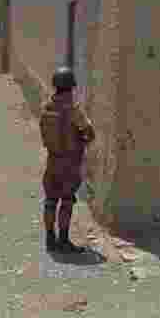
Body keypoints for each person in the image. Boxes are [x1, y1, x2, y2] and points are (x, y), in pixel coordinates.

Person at [38, 67, 96, 253]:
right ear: (71, 87)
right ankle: (63, 240)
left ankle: (49, 239)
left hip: (52, 161)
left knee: (50, 201)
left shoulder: (46, 107)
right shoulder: (73, 110)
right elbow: (89, 133)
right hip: (70, 163)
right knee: (67, 201)